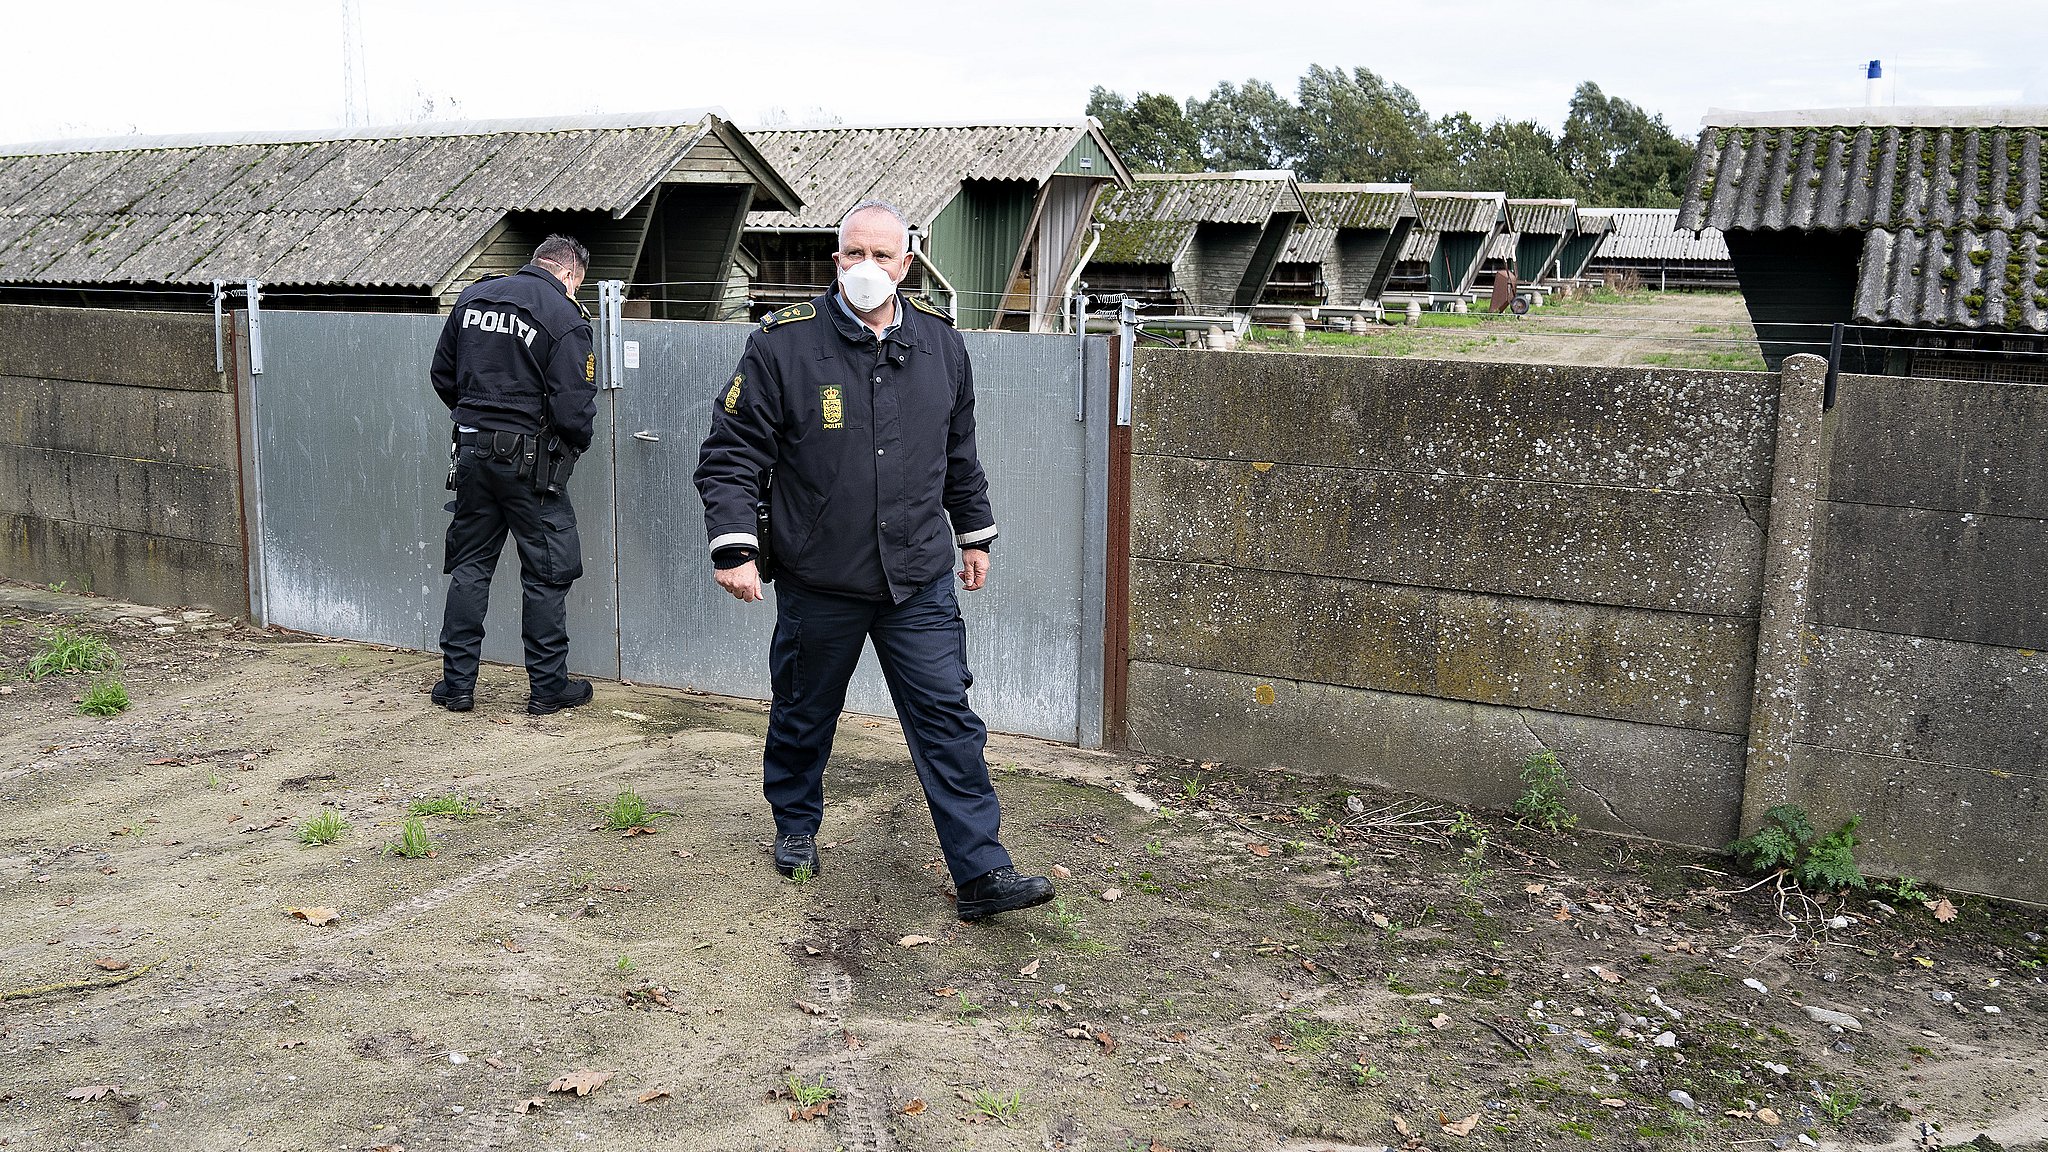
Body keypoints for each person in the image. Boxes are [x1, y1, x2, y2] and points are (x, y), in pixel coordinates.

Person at [693, 199, 1055, 922]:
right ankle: (796, 824)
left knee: (948, 717)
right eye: (853, 254)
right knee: (804, 710)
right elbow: (732, 456)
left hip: (916, 578)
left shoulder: (942, 347)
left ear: (906, 264)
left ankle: (982, 873)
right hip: (820, 576)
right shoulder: (782, 348)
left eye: (881, 256)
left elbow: (960, 454)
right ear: (836, 261)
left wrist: (974, 533)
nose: (867, 268)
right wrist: (735, 545)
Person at [429, 235, 598, 717]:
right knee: (547, 571)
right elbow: (573, 408)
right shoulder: (564, 317)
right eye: (577, 285)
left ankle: (457, 687)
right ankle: (548, 688)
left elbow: (443, 376)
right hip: (531, 463)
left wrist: (479, 419)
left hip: (471, 453)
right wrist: (567, 446)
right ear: (569, 274)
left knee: (470, 566)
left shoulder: (474, 297)